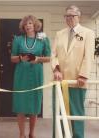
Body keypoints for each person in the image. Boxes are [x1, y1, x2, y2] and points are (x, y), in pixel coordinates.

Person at [52, 5, 95, 138]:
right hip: (59, 81)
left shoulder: (88, 33)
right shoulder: (59, 33)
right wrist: (56, 69)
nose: (69, 18)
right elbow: (53, 54)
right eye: (67, 16)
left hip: (77, 81)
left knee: (76, 113)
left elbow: (88, 56)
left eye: (72, 16)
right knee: (58, 113)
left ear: (79, 17)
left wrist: (83, 75)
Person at [11, 15, 51, 138]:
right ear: (23, 26)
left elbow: (49, 58)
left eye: (30, 23)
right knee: (20, 105)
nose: (28, 26)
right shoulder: (18, 39)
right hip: (21, 75)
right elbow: (12, 58)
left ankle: (32, 133)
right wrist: (20, 58)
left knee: (34, 105)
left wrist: (38, 59)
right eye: (26, 24)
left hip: (36, 74)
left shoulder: (43, 39)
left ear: (35, 25)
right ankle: (21, 134)